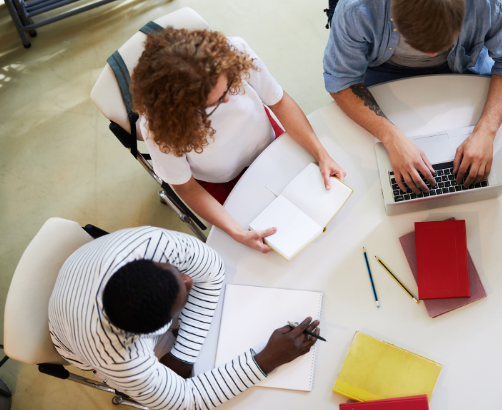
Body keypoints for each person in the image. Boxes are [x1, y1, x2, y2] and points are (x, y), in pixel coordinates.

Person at [48, 226, 320, 410]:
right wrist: (266, 360)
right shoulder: (120, 358)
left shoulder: (151, 243)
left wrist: (182, 356)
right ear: (157, 329)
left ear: (147, 264)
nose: (188, 280)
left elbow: (212, 272)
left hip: (80, 275)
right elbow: (187, 403)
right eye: (184, 296)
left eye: (174, 273)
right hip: (74, 338)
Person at [323, 0, 502, 194]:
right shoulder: (356, 8)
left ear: (463, 16)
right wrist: (392, 139)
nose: (432, 56)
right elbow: (341, 80)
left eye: (442, 45)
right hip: (384, 69)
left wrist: (486, 132)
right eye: (419, 46)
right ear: (394, 18)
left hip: (464, 66)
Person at [131, 28, 346, 254]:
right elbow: (186, 187)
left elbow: (278, 101)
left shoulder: (234, 50)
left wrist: (321, 154)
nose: (227, 99)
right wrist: (238, 233)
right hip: (219, 181)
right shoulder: (158, 127)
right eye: (212, 103)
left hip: (267, 141)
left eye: (228, 84)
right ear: (183, 109)